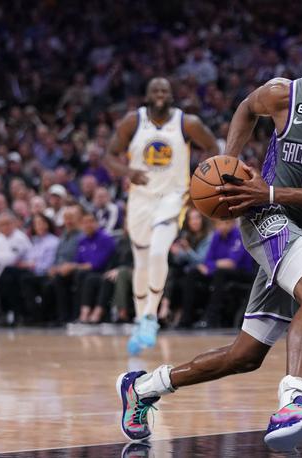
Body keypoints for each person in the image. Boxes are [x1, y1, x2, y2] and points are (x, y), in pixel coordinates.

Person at [115, 32, 302, 450]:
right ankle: (293, 400)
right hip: (264, 215)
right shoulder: (282, 95)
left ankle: (145, 388)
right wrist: (230, 161)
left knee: (246, 355)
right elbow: (245, 109)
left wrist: (272, 192)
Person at [104, 77, 219, 355]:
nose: (160, 94)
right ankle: (140, 318)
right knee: (141, 260)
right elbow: (109, 155)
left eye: (165, 91)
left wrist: (198, 181)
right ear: (146, 95)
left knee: (158, 253)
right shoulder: (134, 121)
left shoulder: (186, 123)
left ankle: (150, 317)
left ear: (172, 96)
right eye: (154, 90)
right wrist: (127, 172)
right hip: (140, 199)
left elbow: (214, 148)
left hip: (172, 198)